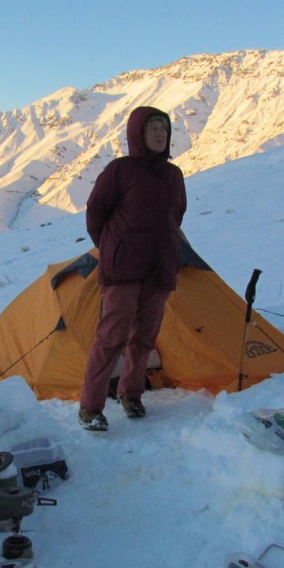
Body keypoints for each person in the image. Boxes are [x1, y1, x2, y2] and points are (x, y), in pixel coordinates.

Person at [78, 106, 187, 431]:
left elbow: (176, 215)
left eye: (164, 129)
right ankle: (90, 407)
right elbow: (96, 212)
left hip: (159, 268)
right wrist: (113, 247)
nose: (159, 134)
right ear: (138, 133)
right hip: (123, 269)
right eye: (153, 128)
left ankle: (131, 394)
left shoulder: (173, 175)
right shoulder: (120, 171)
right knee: (111, 337)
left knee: (144, 338)